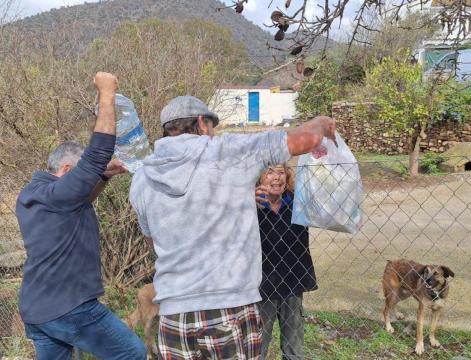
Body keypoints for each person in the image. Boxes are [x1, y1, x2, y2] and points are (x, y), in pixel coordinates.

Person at [129, 95, 334, 360]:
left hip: (173, 313)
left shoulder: (143, 176)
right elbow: (304, 140)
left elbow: (152, 242)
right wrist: (320, 122)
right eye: (211, 128)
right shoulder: (231, 153)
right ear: (203, 124)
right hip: (229, 307)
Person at [15, 72, 146, 360]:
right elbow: (99, 152)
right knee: (132, 353)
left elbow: (77, 201)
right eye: (79, 176)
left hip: (38, 309)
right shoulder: (58, 194)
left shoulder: (34, 194)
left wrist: (101, 175)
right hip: (70, 307)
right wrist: (107, 94)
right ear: (66, 171)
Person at [255, 164, 317, 360]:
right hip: (261, 284)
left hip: (292, 280)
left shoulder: (297, 202)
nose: (277, 177)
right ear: (258, 179)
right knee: (257, 344)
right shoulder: (250, 205)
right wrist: (246, 199)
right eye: (270, 172)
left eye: (281, 172)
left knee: (294, 346)